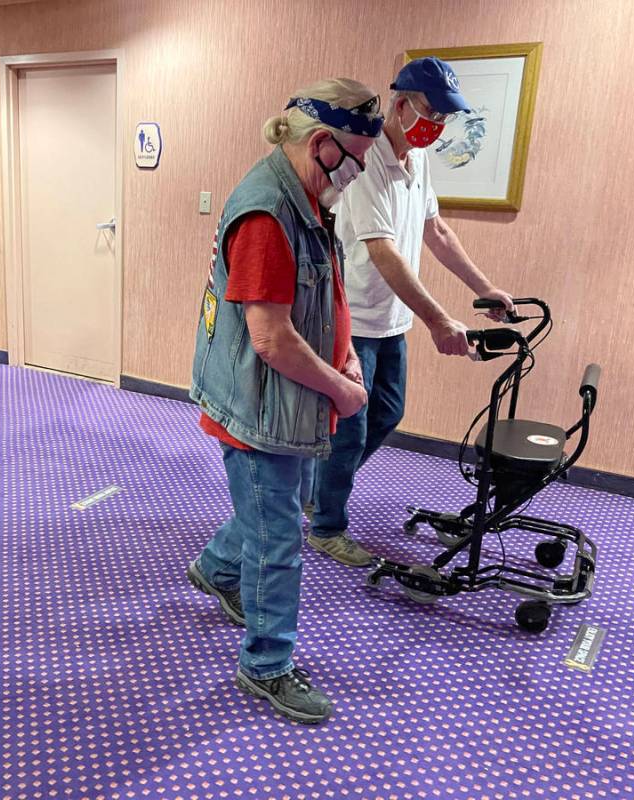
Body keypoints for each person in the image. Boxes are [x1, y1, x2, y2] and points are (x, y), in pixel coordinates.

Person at [186, 79, 382, 724]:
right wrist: (343, 386)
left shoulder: (304, 193)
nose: (357, 175)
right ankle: (266, 664)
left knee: (267, 511)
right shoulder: (269, 213)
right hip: (260, 405)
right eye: (354, 160)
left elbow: (319, 294)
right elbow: (271, 337)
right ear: (323, 145)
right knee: (279, 537)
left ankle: (217, 569)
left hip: (280, 395)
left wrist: (345, 352)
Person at [308, 57, 514, 566]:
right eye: (430, 112)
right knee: (351, 426)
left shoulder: (418, 160)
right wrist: (440, 319)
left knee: (388, 413)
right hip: (352, 316)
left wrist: (485, 290)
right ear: (399, 104)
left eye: (445, 116)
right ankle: (326, 524)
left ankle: (320, 488)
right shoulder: (365, 161)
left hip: (390, 321)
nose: (437, 126)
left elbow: (436, 232)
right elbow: (383, 251)